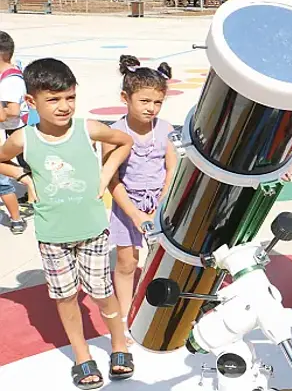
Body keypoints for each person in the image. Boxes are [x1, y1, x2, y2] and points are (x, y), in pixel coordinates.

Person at [0, 58, 136, 389]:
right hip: (52, 235)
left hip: (92, 230)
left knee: (103, 294)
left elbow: (124, 142)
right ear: (31, 102)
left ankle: (119, 343)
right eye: (54, 99)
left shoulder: (88, 128)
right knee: (65, 298)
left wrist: (105, 173)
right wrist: (23, 176)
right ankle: (82, 355)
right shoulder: (23, 139)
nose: (64, 106)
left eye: (70, 97)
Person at [105, 55, 177, 325]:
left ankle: (155, 309)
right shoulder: (114, 133)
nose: (151, 108)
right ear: (125, 98)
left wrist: (162, 203)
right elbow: (112, 180)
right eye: (144, 101)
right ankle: (125, 314)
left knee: (161, 260)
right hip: (127, 208)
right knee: (126, 262)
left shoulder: (166, 130)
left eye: (157, 102)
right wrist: (134, 214)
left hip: (160, 205)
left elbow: (172, 169)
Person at [0, 31, 29, 234]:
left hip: (18, 128)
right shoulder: (8, 74)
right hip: (13, 128)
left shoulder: (10, 81)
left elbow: (11, 112)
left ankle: (39, 195)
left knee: (25, 163)